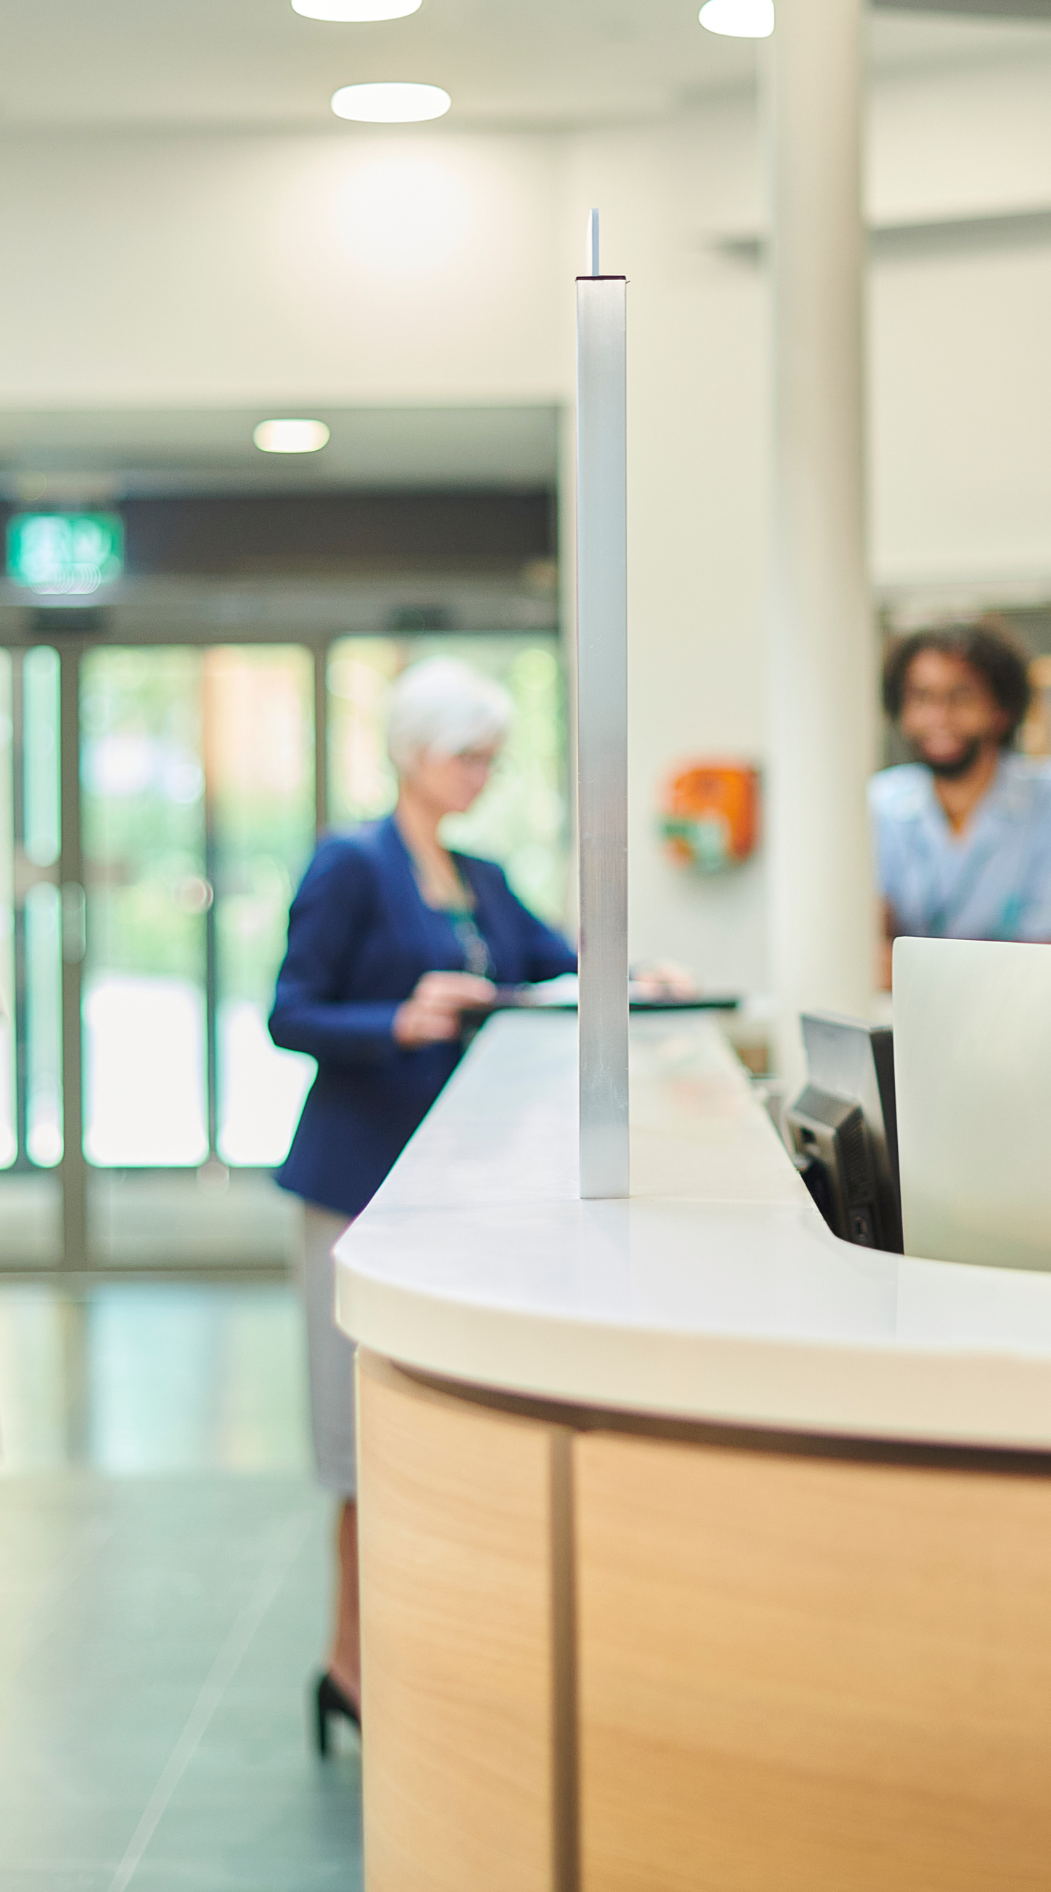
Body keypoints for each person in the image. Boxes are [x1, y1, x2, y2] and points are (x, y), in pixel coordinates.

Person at [270, 657, 576, 1754]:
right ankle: (351, 1662)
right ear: (411, 753)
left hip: (457, 1187)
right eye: (466, 755)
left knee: (436, 1431)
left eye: (493, 757)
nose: (482, 774)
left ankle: (408, 1657)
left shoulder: (482, 876)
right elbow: (289, 1012)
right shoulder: (353, 863)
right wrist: (399, 1020)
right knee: (360, 1445)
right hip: (357, 1183)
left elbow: (558, 969)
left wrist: (649, 973)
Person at [872, 619, 1051, 984]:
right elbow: (859, 948)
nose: (939, 717)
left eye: (961, 696)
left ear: (1001, 710)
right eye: (921, 697)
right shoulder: (881, 803)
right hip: (910, 1031)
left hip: (1033, 1030)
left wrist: (913, 970)